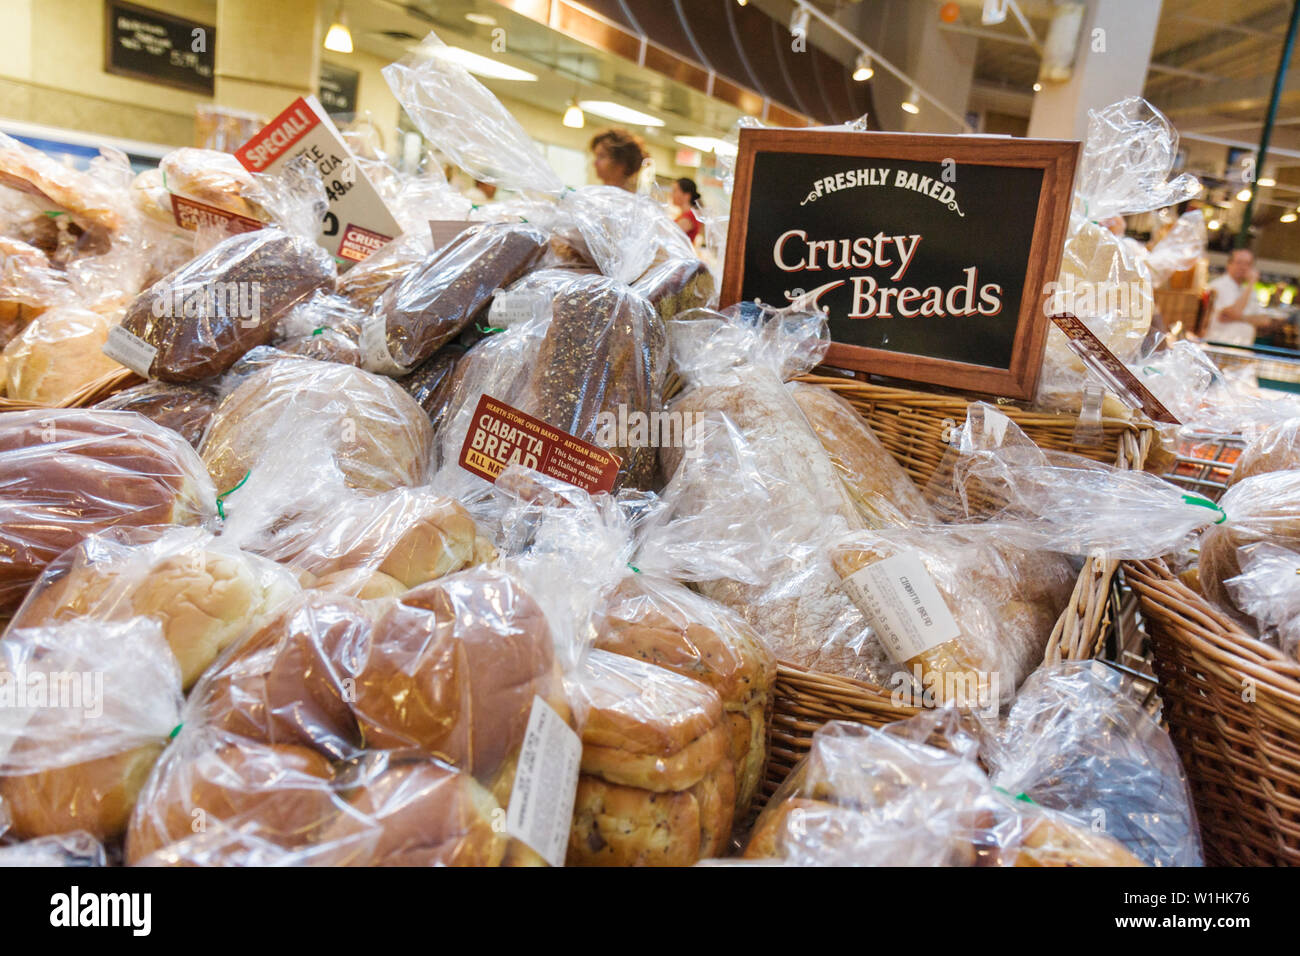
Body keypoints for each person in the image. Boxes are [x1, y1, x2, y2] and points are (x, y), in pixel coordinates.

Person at [1205, 248, 1281, 346]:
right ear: (1229, 265)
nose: (1243, 267)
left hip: (1244, 348)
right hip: (1220, 346)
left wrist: (1240, 318)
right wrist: (1251, 284)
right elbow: (1233, 312)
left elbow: (1265, 320)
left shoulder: (1251, 291)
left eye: (1248, 264)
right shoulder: (1217, 286)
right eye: (1239, 263)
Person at [671, 178, 703, 245]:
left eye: (675, 191)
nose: (671, 194)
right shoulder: (686, 215)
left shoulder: (689, 217)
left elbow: (671, 236)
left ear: (686, 196)